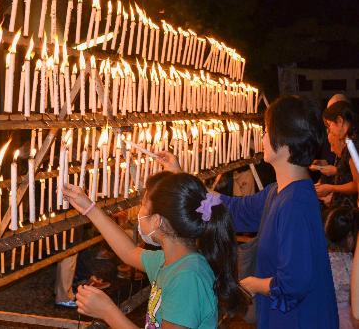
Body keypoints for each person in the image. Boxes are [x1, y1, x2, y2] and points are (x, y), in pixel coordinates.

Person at [158, 95, 338, 328]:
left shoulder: (296, 204)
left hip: (299, 319)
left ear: (284, 140)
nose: (262, 138)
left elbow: (295, 282)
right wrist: (181, 178)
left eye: (266, 131)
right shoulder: (278, 192)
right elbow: (234, 211)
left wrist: (254, 284)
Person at [63, 172, 247, 328]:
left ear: (157, 220)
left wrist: (109, 312)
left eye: (143, 205)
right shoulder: (171, 260)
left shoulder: (188, 277)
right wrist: (89, 208)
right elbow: (128, 252)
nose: (139, 212)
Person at [314, 101, 358, 208]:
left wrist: (331, 188)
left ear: (339, 121)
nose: (329, 131)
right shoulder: (351, 142)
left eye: (329, 125)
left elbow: (356, 185)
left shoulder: (354, 145)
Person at [324, 206, 359, 328]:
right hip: (348, 320)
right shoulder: (352, 264)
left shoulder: (321, 259)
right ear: (350, 237)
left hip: (324, 317)